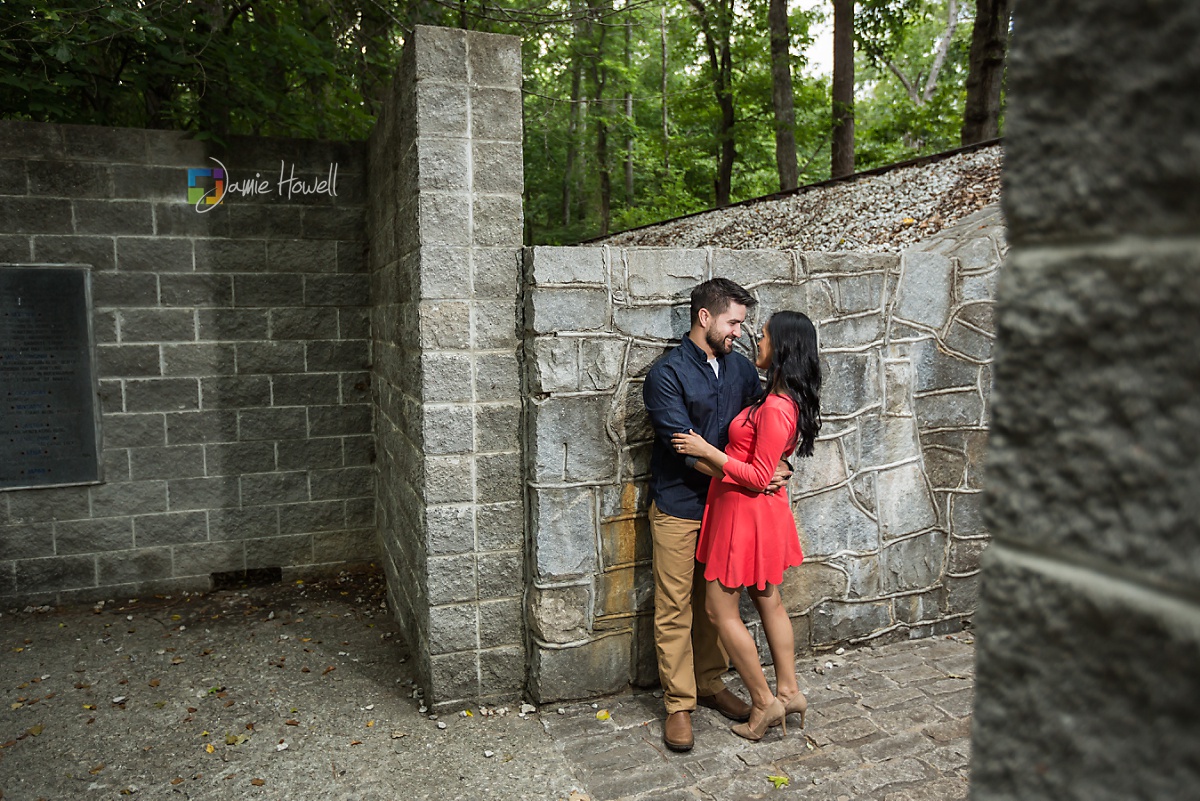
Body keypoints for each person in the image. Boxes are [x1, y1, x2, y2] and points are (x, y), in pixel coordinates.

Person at [642, 278, 792, 753]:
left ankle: (709, 683)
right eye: (733, 322)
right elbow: (683, 447)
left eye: (744, 324)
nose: (739, 332)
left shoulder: (743, 370)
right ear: (704, 317)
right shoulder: (665, 374)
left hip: (729, 511)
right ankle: (679, 703)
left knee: (714, 608)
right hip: (680, 505)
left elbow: (763, 430)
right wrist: (750, 476)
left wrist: (776, 467)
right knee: (674, 605)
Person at [671, 310, 821, 742]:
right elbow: (766, 465)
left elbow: (757, 475)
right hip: (757, 511)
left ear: (783, 348)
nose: (757, 341)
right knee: (768, 600)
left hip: (745, 512)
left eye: (765, 338)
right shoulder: (777, 397)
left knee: (720, 610)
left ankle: (763, 702)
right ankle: (789, 692)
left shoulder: (775, 406)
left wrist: (707, 452)